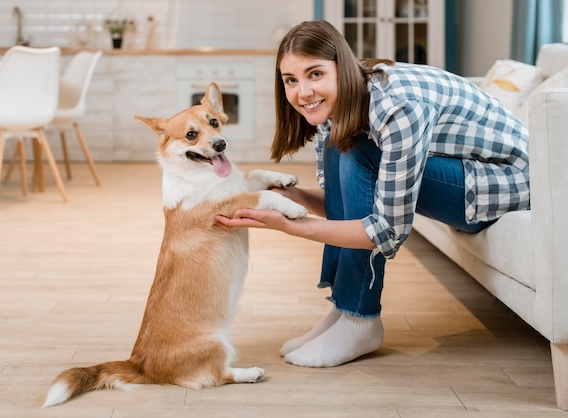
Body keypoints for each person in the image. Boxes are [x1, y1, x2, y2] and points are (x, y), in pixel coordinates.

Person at [214, 20, 529, 368]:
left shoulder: (397, 106)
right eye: (291, 80)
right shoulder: (341, 106)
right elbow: (346, 203)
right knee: (347, 145)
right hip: (468, 177)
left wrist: (288, 227)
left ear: (341, 67)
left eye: (315, 74)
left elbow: (386, 231)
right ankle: (344, 310)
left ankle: (360, 318)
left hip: (503, 186)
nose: (302, 92)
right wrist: (291, 199)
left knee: (357, 150)